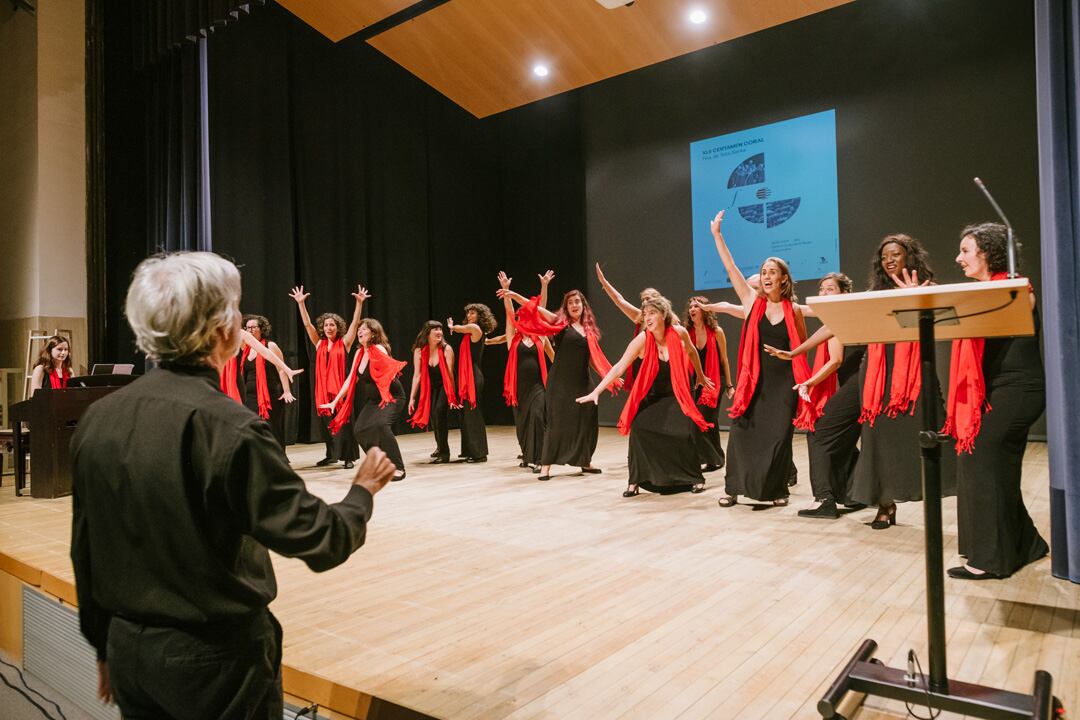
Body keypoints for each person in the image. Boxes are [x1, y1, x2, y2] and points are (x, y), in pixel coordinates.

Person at [70, 251, 395, 718]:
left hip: (128, 650)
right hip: (214, 662)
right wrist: (362, 491)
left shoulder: (98, 419)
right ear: (222, 329)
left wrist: (103, 644)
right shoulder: (230, 427)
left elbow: (85, 547)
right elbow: (320, 539)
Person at [944, 223, 1047, 579]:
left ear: (988, 252)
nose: (958, 258)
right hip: (999, 390)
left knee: (983, 459)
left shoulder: (1018, 288)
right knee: (987, 465)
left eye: (966, 250)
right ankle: (1028, 543)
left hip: (1020, 389)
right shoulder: (982, 294)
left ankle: (991, 559)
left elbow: (1014, 309)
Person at [847, 235, 956, 529]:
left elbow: (945, 320)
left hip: (915, 372)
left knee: (925, 431)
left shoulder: (927, 289)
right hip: (879, 375)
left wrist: (914, 297)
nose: (889, 260)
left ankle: (932, 494)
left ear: (910, 256)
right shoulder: (874, 293)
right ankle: (885, 504)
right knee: (877, 437)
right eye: (884, 257)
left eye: (895, 254)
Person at [708, 210, 812, 509]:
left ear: (783, 279)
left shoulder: (793, 310)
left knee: (778, 438)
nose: (765, 277)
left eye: (771, 272)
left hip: (783, 383)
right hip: (753, 380)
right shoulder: (752, 302)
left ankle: (776, 488)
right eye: (763, 272)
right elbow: (731, 267)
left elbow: (802, 346)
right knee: (742, 433)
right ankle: (733, 488)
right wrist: (717, 235)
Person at [578, 294, 713, 496]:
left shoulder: (679, 332)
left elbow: (692, 352)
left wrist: (701, 377)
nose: (647, 318)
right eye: (645, 314)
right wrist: (597, 390)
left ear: (663, 314)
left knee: (683, 432)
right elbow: (619, 367)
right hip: (653, 396)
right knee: (639, 428)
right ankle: (636, 481)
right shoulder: (642, 339)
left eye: (652, 313)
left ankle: (693, 477)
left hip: (677, 395)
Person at [766, 274, 866, 519]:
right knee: (840, 440)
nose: (823, 293)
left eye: (830, 289)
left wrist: (809, 381)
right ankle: (855, 492)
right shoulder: (839, 315)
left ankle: (824, 499)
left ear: (844, 293)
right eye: (821, 289)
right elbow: (817, 335)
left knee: (818, 432)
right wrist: (791, 354)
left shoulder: (844, 314)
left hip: (859, 385)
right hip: (859, 386)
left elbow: (836, 360)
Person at [498, 282, 620, 482]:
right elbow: (536, 308)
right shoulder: (560, 323)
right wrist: (513, 294)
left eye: (578, 301)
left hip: (583, 382)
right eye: (571, 302)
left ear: (583, 306)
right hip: (560, 383)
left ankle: (584, 461)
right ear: (566, 307)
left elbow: (593, 359)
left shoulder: (588, 330)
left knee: (586, 422)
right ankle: (546, 466)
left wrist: (610, 374)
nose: (574, 305)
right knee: (556, 424)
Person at [321, 318, 408, 482]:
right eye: (359, 329)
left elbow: (389, 370)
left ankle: (398, 468)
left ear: (374, 333)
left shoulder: (379, 349)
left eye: (364, 329)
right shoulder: (359, 353)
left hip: (391, 396)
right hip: (374, 400)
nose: (360, 332)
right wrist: (335, 401)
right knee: (360, 429)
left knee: (381, 426)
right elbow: (351, 379)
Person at [289, 284, 366, 469]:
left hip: (341, 390)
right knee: (326, 424)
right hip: (323, 390)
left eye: (332, 324)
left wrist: (359, 303)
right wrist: (301, 304)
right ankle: (331, 455)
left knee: (345, 424)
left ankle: (349, 457)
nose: (329, 327)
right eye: (326, 325)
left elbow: (355, 324)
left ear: (338, 327)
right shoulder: (319, 343)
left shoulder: (345, 342)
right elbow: (307, 324)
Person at [498, 271, 554, 473]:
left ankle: (539, 458)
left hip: (538, 386)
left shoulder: (541, 338)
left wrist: (544, 287)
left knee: (539, 417)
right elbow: (508, 313)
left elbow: (542, 309)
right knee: (522, 425)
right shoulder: (513, 338)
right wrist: (506, 291)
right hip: (518, 387)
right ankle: (527, 454)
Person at [685, 297, 733, 472]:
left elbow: (724, 359)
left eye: (696, 306)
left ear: (704, 309)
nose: (692, 309)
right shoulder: (686, 332)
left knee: (702, 419)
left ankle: (708, 457)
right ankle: (717, 458)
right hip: (695, 382)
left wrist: (729, 385)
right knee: (710, 420)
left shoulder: (716, 331)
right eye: (690, 306)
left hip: (714, 381)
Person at [447, 302, 498, 462]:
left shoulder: (475, 329)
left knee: (472, 413)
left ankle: (479, 453)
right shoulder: (472, 333)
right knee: (465, 415)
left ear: (480, 316)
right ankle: (470, 449)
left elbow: (461, 328)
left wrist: (452, 326)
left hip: (473, 377)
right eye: (468, 313)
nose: (469, 316)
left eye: (473, 313)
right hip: (467, 376)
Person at [241, 315, 297, 449]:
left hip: (270, 395)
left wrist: (287, 391)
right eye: (248, 328)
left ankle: (279, 458)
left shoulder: (270, 346)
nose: (250, 330)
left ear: (262, 329)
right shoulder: (246, 348)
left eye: (254, 327)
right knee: (254, 428)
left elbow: (281, 370)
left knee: (272, 427)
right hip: (251, 397)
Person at [408, 320, 458, 463]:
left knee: (439, 412)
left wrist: (452, 396)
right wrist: (412, 398)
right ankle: (439, 447)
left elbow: (450, 375)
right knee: (433, 416)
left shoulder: (446, 349)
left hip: (445, 385)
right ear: (427, 333)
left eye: (441, 329)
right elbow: (417, 375)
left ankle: (445, 453)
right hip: (431, 386)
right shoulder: (419, 351)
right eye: (435, 329)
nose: (440, 332)